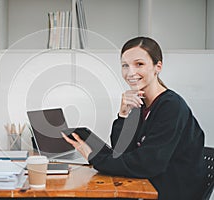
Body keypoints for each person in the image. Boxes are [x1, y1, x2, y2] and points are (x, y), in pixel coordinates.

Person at [62, 36, 207, 200]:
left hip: (171, 192)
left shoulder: (171, 106)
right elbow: (120, 152)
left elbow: (147, 164)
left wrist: (94, 157)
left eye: (139, 64)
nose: (130, 72)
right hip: (147, 186)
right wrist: (123, 115)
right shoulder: (139, 104)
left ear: (157, 66)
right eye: (125, 65)